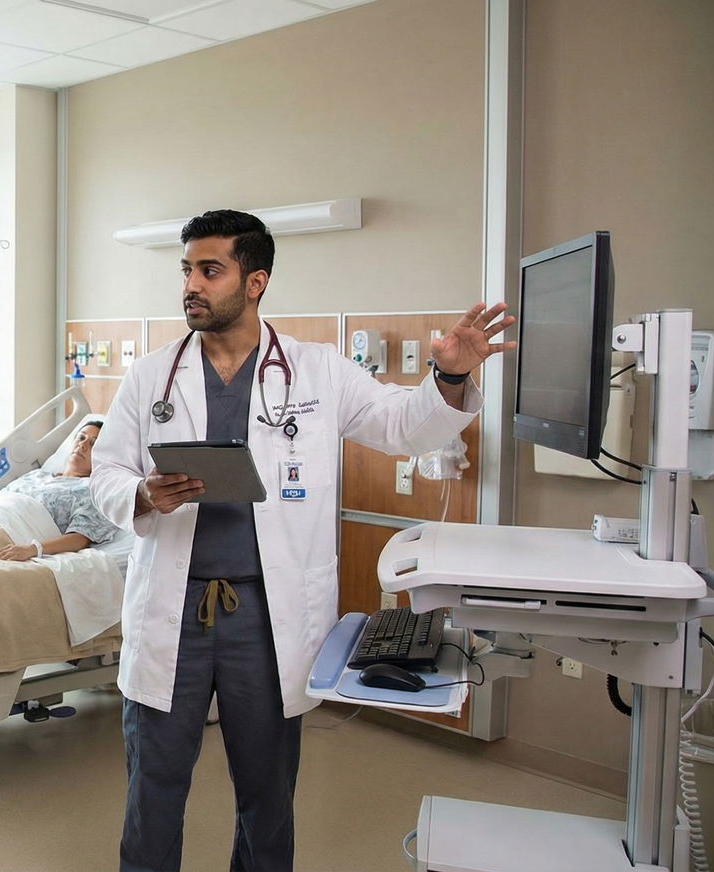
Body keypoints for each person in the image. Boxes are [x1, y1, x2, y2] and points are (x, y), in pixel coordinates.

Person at [89, 209, 513, 872]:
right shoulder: (151, 377)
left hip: (266, 615)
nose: (191, 285)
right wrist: (141, 493)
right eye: (186, 270)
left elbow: (403, 426)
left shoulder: (317, 372)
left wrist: (450, 377)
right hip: (174, 614)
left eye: (209, 269)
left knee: (267, 793)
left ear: (254, 281)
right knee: (155, 787)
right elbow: (105, 470)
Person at [0, 421, 122, 561]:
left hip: (8, 534)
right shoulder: (37, 475)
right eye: (81, 438)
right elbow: (1, 502)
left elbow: (80, 538)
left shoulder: (91, 490)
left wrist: (33, 549)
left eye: (93, 444)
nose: (83, 445)